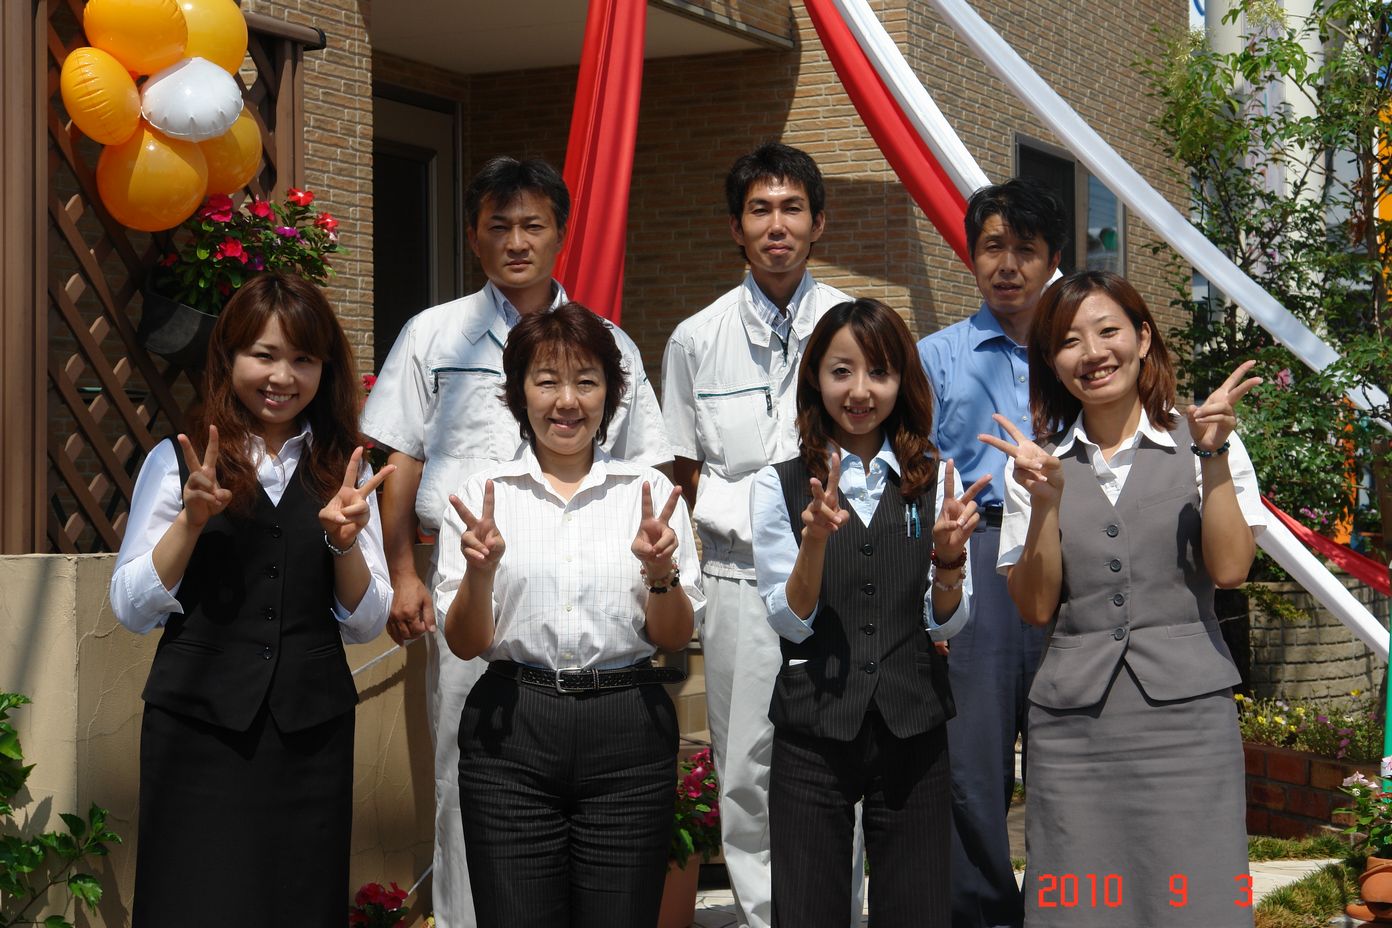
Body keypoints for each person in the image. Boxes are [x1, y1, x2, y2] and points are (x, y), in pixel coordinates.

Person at [361, 157, 671, 927]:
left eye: (533, 225)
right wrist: (403, 574)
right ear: (473, 237)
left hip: (588, 585)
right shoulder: (434, 333)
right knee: (465, 770)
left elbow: (648, 467)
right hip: (470, 579)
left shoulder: (608, 343)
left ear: (561, 234)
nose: (516, 241)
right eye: (498, 226)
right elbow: (400, 458)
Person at [109, 273, 393, 927]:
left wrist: (345, 543)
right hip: (196, 730)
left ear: (326, 368)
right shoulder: (176, 461)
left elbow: (367, 622)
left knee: (298, 903)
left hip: (309, 736)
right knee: (194, 904)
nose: (282, 377)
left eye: (303, 358)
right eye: (264, 355)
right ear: (229, 356)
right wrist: (189, 524)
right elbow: (130, 607)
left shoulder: (344, 470)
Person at [981, 270, 1262, 927]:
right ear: (1051, 361)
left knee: (1197, 904)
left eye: (1108, 331)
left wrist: (1215, 455)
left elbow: (1230, 569)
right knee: (1079, 907)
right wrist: (1045, 504)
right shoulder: (1035, 464)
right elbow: (1035, 607)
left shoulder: (1205, 442)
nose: (1092, 352)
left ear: (1143, 338)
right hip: (1074, 730)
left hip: (1189, 724)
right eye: (1068, 341)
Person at [434, 303, 703, 928]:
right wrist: (480, 572)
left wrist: (660, 572)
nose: (567, 401)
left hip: (628, 728)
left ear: (610, 394)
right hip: (511, 729)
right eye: (546, 381)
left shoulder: (648, 495)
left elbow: (673, 636)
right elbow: (466, 643)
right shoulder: (479, 497)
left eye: (586, 381)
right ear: (519, 393)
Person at [661, 142, 859, 928]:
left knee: (839, 756)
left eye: (792, 209)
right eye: (760, 210)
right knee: (745, 763)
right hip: (739, 577)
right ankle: (763, 917)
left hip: (838, 575)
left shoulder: (856, 325)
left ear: (818, 223)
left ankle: (837, 912)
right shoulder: (695, 338)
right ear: (735, 228)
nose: (777, 225)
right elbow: (680, 470)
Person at [751, 298, 987, 927]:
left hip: (913, 721)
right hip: (813, 722)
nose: (860, 391)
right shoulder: (777, 484)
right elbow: (789, 622)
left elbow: (947, 622)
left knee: (916, 910)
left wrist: (948, 560)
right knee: (806, 910)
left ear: (902, 380)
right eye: (841, 371)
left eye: (879, 372)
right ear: (815, 380)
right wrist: (814, 543)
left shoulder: (936, 479)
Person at [915, 178, 1067, 928]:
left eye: (1025, 250)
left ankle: (1062, 910)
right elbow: (911, 477)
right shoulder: (934, 357)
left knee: (1065, 754)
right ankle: (983, 915)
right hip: (974, 556)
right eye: (992, 248)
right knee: (971, 763)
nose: (1007, 265)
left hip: (1066, 554)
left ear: (1053, 259)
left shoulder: (1079, 352)